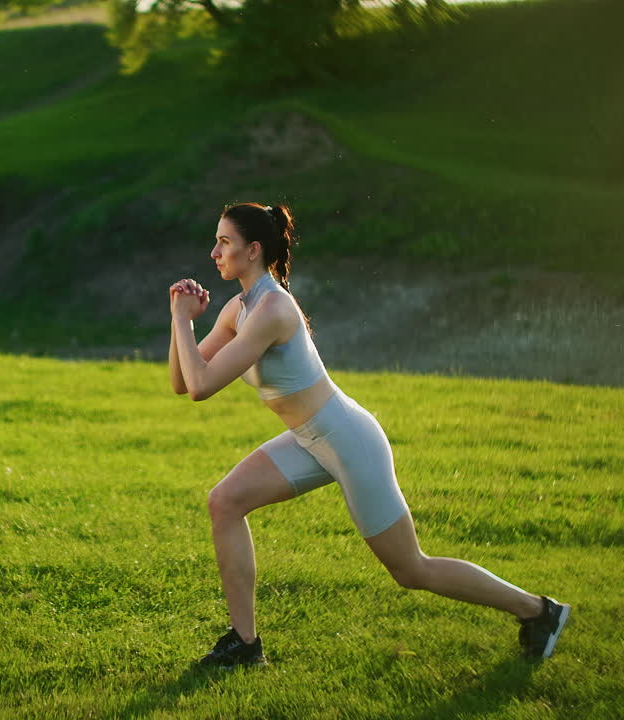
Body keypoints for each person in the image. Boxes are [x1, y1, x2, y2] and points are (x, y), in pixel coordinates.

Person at [168, 202, 569, 667]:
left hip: (347, 439)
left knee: (410, 569)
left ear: (253, 249)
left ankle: (539, 611)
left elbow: (199, 387)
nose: (213, 251)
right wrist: (183, 320)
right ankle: (245, 644)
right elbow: (182, 381)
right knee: (225, 501)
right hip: (307, 438)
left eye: (224, 242)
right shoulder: (240, 308)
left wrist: (181, 319)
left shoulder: (273, 309)